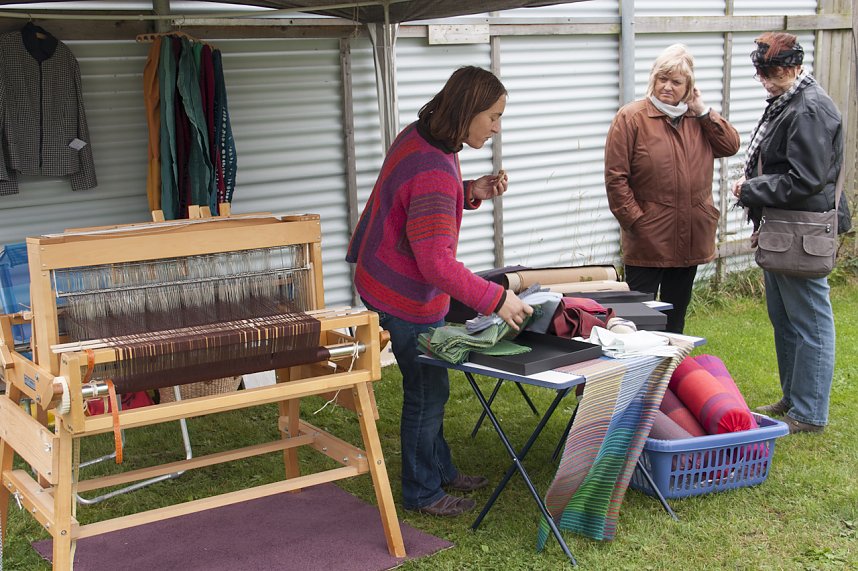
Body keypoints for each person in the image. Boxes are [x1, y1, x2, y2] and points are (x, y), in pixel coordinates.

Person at [346, 66, 533, 516]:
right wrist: (497, 298)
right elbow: (435, 264)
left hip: (383, 272)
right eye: (492, 116)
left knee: (433, 386)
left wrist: (469, 191)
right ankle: (422, 492)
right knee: (427, 391)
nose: (496, 126)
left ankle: (441, 469)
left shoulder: (424, 134)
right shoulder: (433, 165)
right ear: (468, 111)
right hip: (401, 290)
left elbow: (420, 205)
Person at [732, 32, 851, 434]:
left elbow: (807, 179)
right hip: (785, 227)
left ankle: (810, 413)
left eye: (773, 73)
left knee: (811, 322)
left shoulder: (809, 109)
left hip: (803, 228)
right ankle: (792, 397)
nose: (766, 81)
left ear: (795, 66)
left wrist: (750, 188)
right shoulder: (788, 100)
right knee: (784, 318)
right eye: (762, 73)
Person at [604, 44, 740, 333]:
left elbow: (730, 145)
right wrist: (637, 222)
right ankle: (639, 377)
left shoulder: (698, 120)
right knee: (636, 320)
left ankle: (671, 374)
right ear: (652, 79)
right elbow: (616, 178)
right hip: (647, 239)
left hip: (691, 235)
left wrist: (703, 111)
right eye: (661, 79)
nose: (666, 87)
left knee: (675, 317)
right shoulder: (632, 118)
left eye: (676, 82)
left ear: (689, 87)